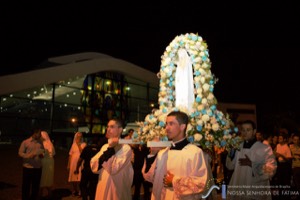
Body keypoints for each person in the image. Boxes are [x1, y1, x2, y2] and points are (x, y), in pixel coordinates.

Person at [144, 111, 208, 199]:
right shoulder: (162, 153)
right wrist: (153, 153)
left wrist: (174, 181)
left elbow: (201, 183)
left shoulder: (195, 152)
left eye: (171, 124)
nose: (167, 128)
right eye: (166, 124)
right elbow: (149, 178)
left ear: (182, 126)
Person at [226, 120, 277, 200]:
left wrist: (251, 164)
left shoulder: (264, 148)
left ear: (254, 131)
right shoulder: (238, 147)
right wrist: (231, 153)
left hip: (255, 190)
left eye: (248, 130)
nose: (245, 133)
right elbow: (230, 166)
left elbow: (271, 169)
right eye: (243, 130)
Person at [90, 118, 134, 199]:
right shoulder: (105, 146)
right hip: (102, 186)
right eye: (108, 126)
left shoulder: (126, 148)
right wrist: (110, 149)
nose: (108, 129)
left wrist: (110, 150)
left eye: (112, 127)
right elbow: (94, 165)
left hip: (116, 190)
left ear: (120, 129)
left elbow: (113, 169)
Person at [18, 128, 44, 200]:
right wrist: (28, 156)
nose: (40, 135)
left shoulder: (40, 142)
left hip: (38, 168)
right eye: (39, 133)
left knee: (36, 186)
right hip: (28, 167)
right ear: (35, 133)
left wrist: (41, 155)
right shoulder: (25, 142)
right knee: (26, 185)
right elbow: (20, 153)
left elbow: (42, 152)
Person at [74, 136, 100, 200]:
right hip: (95, 171)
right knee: (93, 186)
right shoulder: (100, 149)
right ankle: (92, 198)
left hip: (86, 170)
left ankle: (84, 198)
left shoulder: (87, 148)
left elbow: (80, 160)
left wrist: (77, 168)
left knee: (82, 185)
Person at [67, 132, 87, 196]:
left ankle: (80, 191)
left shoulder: (84, 144)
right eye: (78, 137)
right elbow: (70, 155)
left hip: (80, 163)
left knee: (80, 178)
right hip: (73, 163)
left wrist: (79, 145)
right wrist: (68, 164)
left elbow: (82, 153)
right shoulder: (73, 145)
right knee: (73, 177)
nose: (79, 138)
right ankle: (75, 190)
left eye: (80, 137)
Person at [39, 131, 55, 199]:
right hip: (50, 162)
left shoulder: (43, 144)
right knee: (48, 177)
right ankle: (49, 194)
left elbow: (42, 155)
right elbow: (53, 154)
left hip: (44, 162)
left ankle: (40, 195)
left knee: (41, 177)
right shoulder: (50, 144)